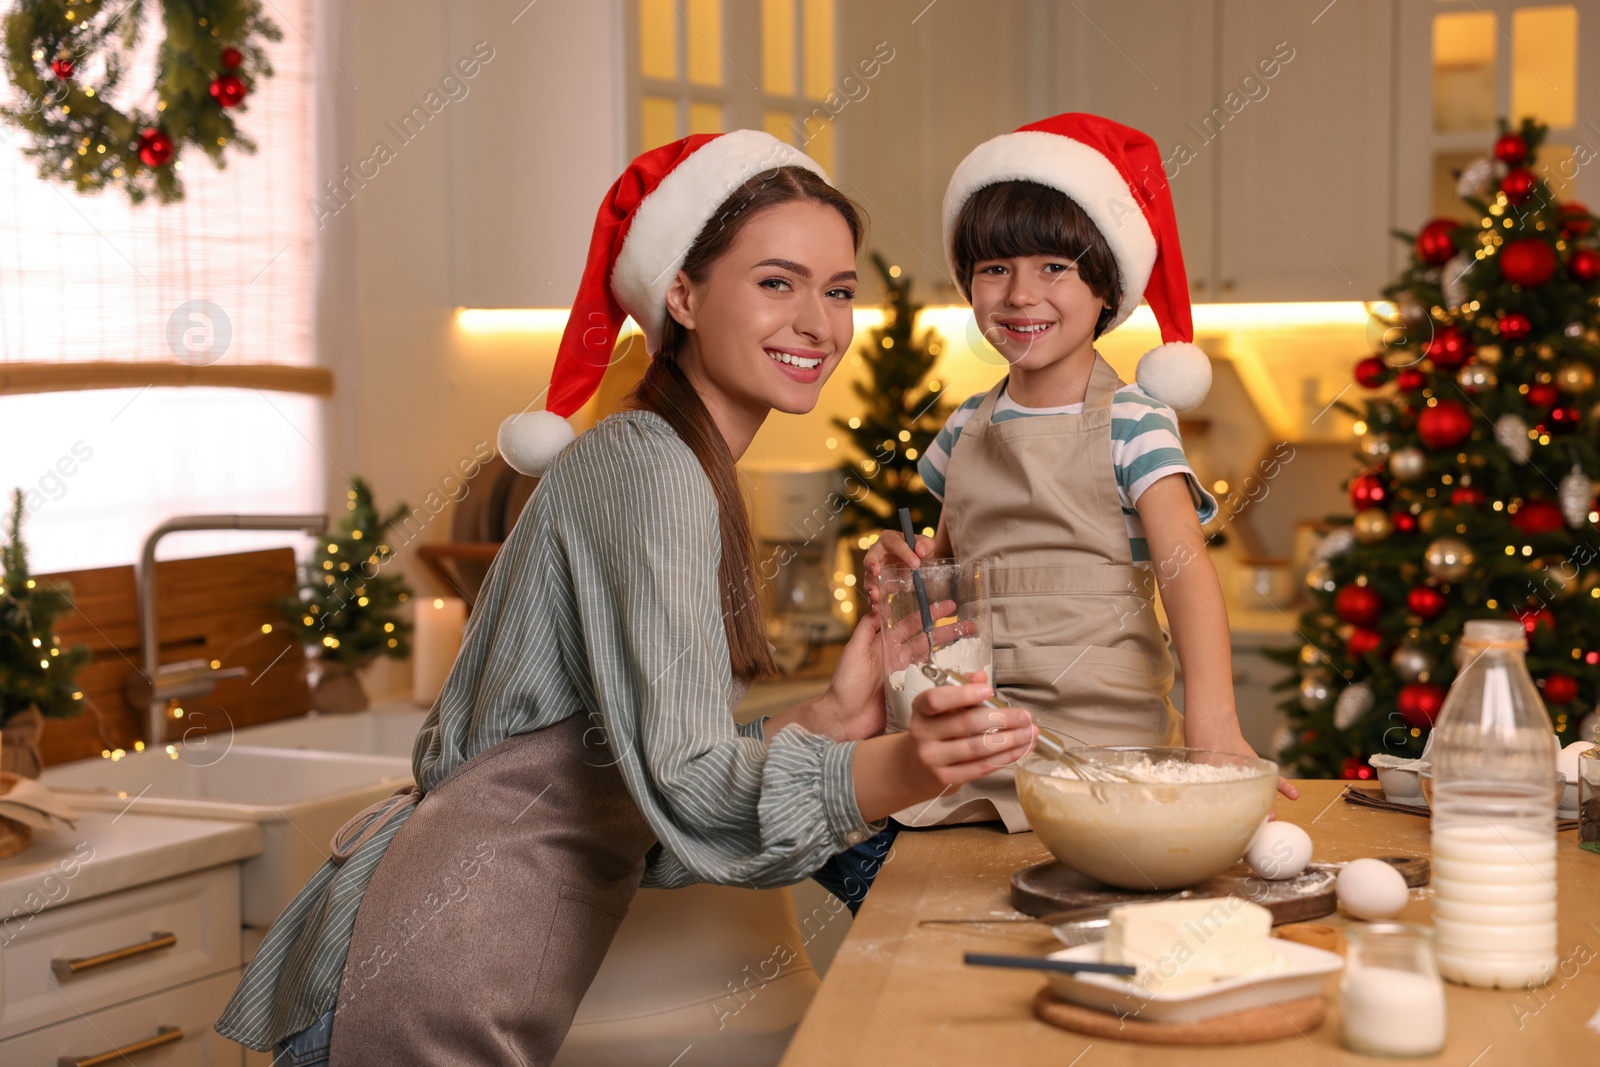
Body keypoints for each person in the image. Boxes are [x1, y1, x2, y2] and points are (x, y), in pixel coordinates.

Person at [214, 130, 1036, 1067]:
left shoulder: (673, 462)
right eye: (776, 281)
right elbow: (691, 794)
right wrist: (904, 766)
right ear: (680, 293)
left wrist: (839, 711)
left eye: (838, 288)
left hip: (447, 969)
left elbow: (661, 823)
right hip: (417, 984)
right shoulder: (648, 471)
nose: (819, 322)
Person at [865, 113, 1297, 831]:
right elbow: (943, 574)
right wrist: (903, 573)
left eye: (1053, 268)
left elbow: (1185, 570)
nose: (1019, 294)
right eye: (994, 268)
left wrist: (1213, 720)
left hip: (1102, 756)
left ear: (1105, 287)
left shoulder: (1134, 421)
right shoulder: (963, 427)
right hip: (977, 748)